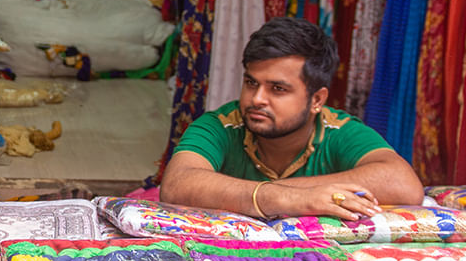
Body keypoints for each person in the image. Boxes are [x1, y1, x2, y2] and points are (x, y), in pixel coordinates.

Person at [160, 16, 424, 221]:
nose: (257, 99)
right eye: (251, 83)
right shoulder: (221, 125)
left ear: (317, 100)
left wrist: (279, 192)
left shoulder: (338, 131)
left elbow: (403, 184)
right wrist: (290, 198)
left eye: (278, 89)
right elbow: (176, 185)